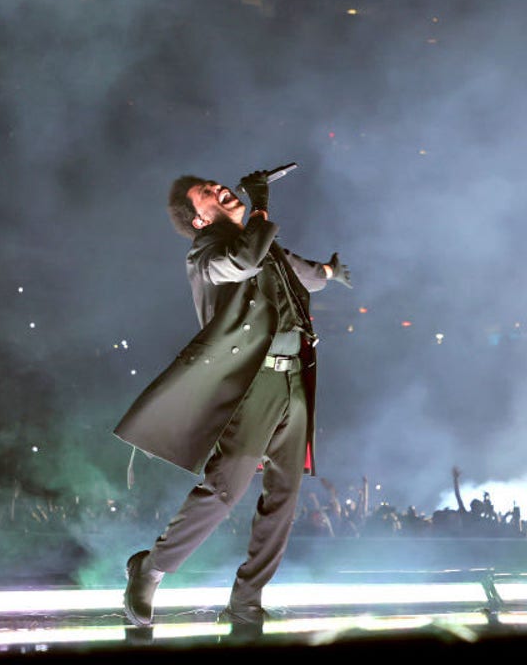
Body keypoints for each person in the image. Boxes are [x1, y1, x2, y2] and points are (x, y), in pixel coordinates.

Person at [112, 167, 352, 639]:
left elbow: (305, 274)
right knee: (224, 489)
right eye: (206, 192)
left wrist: (330, 271)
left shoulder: (263, 244)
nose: (220, 187)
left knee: (283, 498)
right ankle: (150, 570)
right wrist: (260, 205)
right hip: (252, 384)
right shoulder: (206, 252)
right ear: (200, 219)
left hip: (294, 381)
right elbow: (242, 262)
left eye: (214, 183)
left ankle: (246, 602)